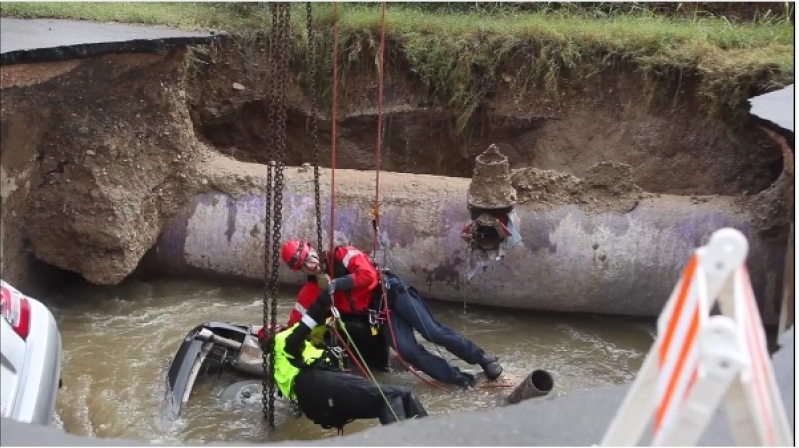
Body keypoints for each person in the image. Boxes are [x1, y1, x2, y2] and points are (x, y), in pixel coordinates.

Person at [281, 239, 504, 389]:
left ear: (311, 248)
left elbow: (368, 276)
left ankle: (482, 358)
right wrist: (271, 334)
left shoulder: (342, 254)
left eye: (309, 257)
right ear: (300, 270)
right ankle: (462, 381)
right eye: (304, 265)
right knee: (407, 350)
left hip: (392, 292)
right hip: (379, 313)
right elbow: (296, 321)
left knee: (431, 331)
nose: (311, 265)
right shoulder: (311, 291)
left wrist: (336, 284)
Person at [265, 288, 428, 431]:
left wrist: (327, 311)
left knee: (404, 394)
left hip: (317, 395)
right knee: (389, 398)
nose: (279, 326)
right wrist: (319, 306)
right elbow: (298, 334)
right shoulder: (281, 340)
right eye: (276, 327)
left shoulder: (281, 363)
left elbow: (312, 330)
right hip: (317, 384)